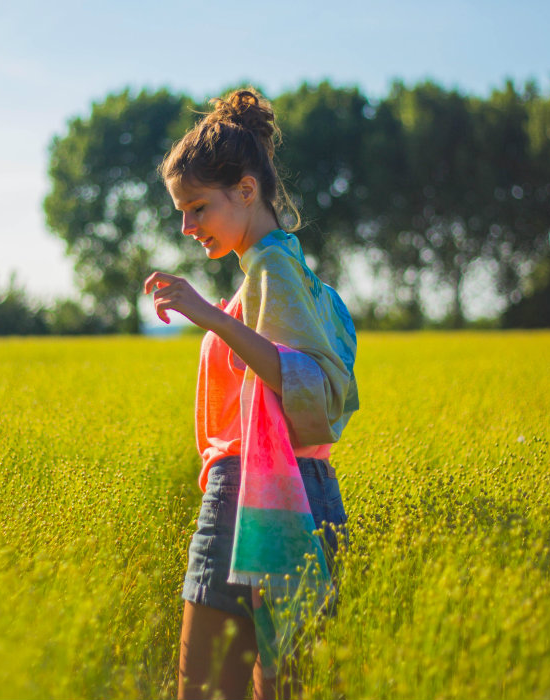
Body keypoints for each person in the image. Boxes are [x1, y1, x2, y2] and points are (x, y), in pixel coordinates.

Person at [144, 88, 358, 700]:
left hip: (257, 493)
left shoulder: (273, 269)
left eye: (196, 208)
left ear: (245, 190)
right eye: (180, 213)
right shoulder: (285, 271)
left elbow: (313, 389)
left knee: (208, 690)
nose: (187, 227)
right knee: (282, 689)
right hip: (295, 492)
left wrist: (208, 315)